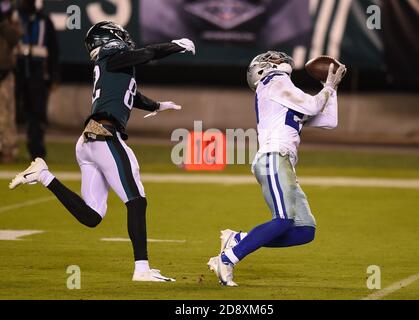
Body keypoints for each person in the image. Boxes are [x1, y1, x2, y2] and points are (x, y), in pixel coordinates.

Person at [9, 21, 196, 282]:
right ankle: (141, 269)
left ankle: (44, 176)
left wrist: (157, 105)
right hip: (105, 135)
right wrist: (174, 46)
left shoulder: (110, 65)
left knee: (93, 215)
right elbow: (146, 54)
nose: (126, 41)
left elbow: (129, 93)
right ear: (110, 39)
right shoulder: (112, 56)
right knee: (136, 200)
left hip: (90, 139)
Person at [207, 51, 346, 286]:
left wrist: (328, 85)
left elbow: (328, 120)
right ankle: (228, 259)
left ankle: (238, 239)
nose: (280, 60)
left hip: (282, 162)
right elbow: (313, 106)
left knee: (304, 230)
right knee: (282, 220)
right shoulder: (273, 80)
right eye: (273, 59)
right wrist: (328, 87)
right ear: (262, 68)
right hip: (274, 157)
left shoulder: (282, 94)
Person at [15, 0, 59, 160]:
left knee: (37, 112)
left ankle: (36, 151)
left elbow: (54, 49)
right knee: (9, 110)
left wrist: (54, 76)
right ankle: (6, 147)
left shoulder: (44, 20)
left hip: (37, 72)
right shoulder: (15, 16)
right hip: (16, 68)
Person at [0, 0, 21, 163]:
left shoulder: (10, 19)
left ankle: (8, 149)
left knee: (7, 112)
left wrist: (3, 23)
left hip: (5, 72)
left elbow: (15, 38)